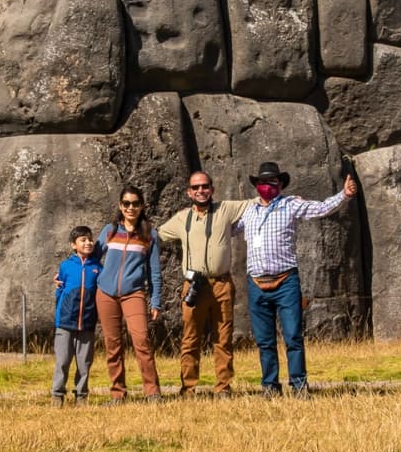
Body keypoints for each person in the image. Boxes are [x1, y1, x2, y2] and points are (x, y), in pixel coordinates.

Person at [233, 161, 358, 398]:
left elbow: (320, 208)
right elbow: (226, 229)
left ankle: (299, 385)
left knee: (292, 336)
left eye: (272, 182)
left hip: (285, 281)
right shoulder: (248, 211)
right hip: (256, 283)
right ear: (256, 185)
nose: (267, 186)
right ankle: (270, 386)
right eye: (263, 182)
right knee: (264, 340)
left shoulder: (291, 205)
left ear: (280, 184)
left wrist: (344, 195)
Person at [158, 171, 252, 399]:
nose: (201, 191)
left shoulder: (226, 209)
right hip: (193, 286)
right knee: (190, 338)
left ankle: (223, 387)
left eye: (205, 186)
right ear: (189, 192)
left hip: (221, 283)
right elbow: (158, 234)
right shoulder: (182, 218)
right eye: (196, 187)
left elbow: (257, 202)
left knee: (223, 337)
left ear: (212, 188)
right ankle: (188, 388)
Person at [94, 186, 163, 405]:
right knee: (112, 344)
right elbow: (91, 258)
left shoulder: (149, 235)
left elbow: (154, 272)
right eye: (126, 204)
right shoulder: (109, 231)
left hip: (133, 293)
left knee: (141, 340)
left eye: (135, 203)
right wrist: (66, 275)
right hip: (105, 293)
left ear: (142, 206)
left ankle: (152, 393)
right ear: (120, 206)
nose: (130, 208)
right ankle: (117, 394)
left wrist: (156, 301)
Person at [50, 226, 101, 408]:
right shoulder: (66, 266)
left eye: (90, 239)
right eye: (82, 240)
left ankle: (81, 396)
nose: (87, 243)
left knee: (84, 363)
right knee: (63, 361)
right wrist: (60, 311)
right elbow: (60, 288)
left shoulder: (97, 267)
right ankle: (57, 396)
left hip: (87, 324)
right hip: (64, 323)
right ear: (73, 245)